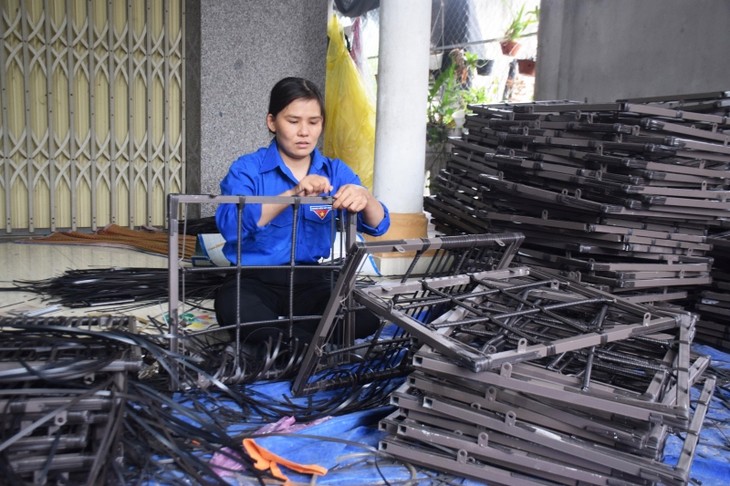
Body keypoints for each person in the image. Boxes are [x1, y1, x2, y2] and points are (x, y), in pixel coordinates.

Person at [214, 76, 390, 345]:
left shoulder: (335, 171)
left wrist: (364, 196)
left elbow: (380, 226)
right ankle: (307, 344)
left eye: (314, 122)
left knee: (363, 319)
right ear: (272, 122)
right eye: (293, 121)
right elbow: (231, 226)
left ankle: (288, 344)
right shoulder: (247, 169)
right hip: (254, 280)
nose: (304, 132)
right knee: (235, 310)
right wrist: (293, 194)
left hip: (313, 280)